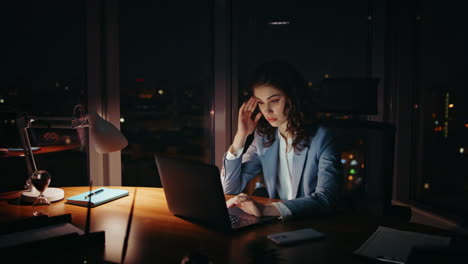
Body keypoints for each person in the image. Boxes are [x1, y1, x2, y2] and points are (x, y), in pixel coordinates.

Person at [222, 60, 342, 221]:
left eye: (274, 101)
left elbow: (326, 199)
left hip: (312, 225)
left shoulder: (322, 137)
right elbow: (230, 188)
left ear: (292, 99)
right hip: (277, 227)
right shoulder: (263, 136)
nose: (266, 110)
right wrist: (240, 137)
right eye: (260, 102)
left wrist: (266, 210)